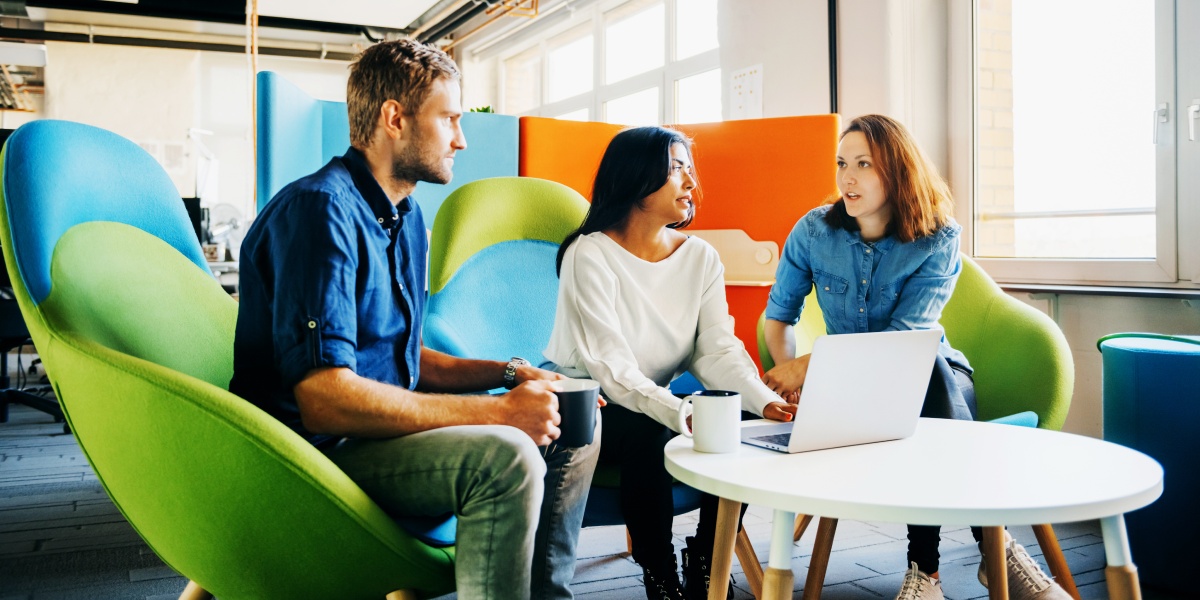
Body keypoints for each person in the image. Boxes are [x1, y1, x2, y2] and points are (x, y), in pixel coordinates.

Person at [230, 39, 600, 600]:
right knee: (507, 457)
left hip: (375, 436)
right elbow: (325, 399)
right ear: (395, 118)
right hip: (311, 456)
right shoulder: (320, 212)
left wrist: (512, 375)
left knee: (568, 421)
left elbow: (402, 358)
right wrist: (499, 414)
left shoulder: (404, 218)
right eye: (449, 118)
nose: (462, 138)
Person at [761, 114, 1069, 600]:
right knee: (927, 386)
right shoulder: (814, 232)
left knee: (927, 372)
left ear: (898, 170)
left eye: (864, 164)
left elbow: (905, 341)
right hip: (851, 388)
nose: (847, 177)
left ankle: (925, 572)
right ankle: (997, 548)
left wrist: (812, 363)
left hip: (932, 375)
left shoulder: (938, 236)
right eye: (842, 163)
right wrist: (795, 381)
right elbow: (779, 318)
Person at [543, 126, 797, 600]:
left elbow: (716, 349)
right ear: (636, 177)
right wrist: (679, 411)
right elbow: (610, 368)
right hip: (588, 405)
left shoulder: (700, 256)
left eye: (689, 169)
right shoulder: (589, 254)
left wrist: (764, 402)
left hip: (651, 400)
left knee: (740, 418)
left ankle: (708, 558)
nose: (691, 182)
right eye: (676, 168)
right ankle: (659, 575)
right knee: (649, 429)